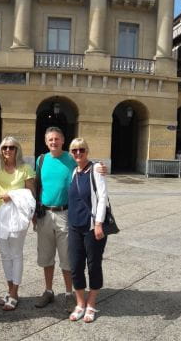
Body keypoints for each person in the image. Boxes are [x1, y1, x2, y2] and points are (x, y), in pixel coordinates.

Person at [33, 126, 106, 312]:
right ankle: (48, 290)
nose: (53, 142)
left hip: (66, 214)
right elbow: (36, 186)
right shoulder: (41, 160)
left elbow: (86, 163)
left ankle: (68, 293)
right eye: (50, 139)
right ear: (45, 141)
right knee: (46, 256)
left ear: (63, 140)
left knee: (68, 258)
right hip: (44, 214)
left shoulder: (71, 158)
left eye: (57, 139)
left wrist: (99, 165)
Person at [0, 136, 36, 311]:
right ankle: (10, 289)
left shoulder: (25, 169)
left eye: (11, 147)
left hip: (17, 216)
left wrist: (13, 195)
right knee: (4, 253)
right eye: (4, 148)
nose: (7, 150)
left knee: (16, 253)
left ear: (17, 150)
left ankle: (15, 293)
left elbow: (31, 194)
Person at [66, 138, 108, 323]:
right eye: (74, 150)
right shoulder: (74, 171)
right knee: (75, 266)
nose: (77, 153)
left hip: (92, 227)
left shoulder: (96, 170)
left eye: (81, 150)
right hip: (74, 227)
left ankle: (91, 303)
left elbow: (103, 197)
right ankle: (80, 303)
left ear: (87, 151)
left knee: (93, 265)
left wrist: (98, 223)